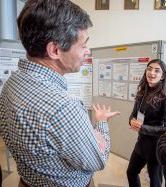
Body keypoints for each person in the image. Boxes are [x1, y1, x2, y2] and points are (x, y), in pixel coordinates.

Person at [0, 0, 120, 186]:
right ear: (55, 50)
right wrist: (101, 124)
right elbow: (98, 160)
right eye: (83, 45)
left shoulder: (12, 83)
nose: (87, 52)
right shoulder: (64, 107)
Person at [127, 59, 166, 187]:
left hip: (156, 145)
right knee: (131, 172)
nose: (152, 73)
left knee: (155, 181)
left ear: (163, 75)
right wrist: (131, 121)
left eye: (156, 70)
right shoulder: (143, 91)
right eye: (149, 69)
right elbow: (134, 114)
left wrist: (143, 128)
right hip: (142, 142)